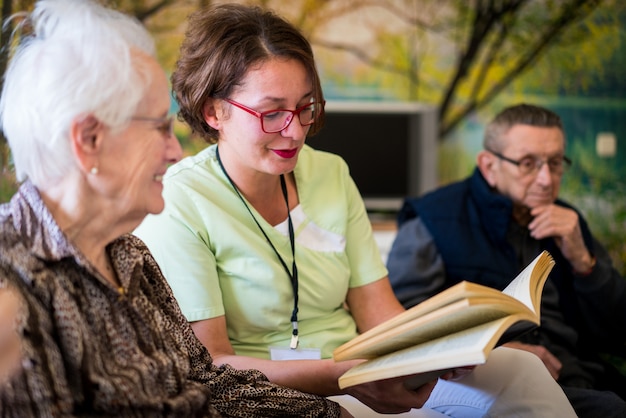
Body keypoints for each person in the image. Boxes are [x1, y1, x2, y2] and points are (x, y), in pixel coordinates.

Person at [134, 5, 576, 416]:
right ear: (214, 111)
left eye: (305, 107)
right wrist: (346, 377)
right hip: (281, 393)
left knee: (521, 370)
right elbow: (212, 364)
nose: (294, 132)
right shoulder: (181, 201)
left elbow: (379, 314)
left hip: (366, 370)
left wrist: (458, 345)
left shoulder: (330, 173)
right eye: (272, 113)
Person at [0, 0, 349, 416]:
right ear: (89, 140)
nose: (174, 150)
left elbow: (205, 380)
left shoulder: (129, 254)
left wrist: (325, 413)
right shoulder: (13, 281)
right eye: (160, 127)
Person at [387, 103, 626, 418]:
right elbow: (401, 322)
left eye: (555, 163)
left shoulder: (569, 222)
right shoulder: (433, 219)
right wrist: (500, 353)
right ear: (488, 165)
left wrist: (585, 264)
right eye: (528, 163)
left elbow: (617, 332)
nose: (545, 179)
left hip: (579, 372)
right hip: (486, 381)